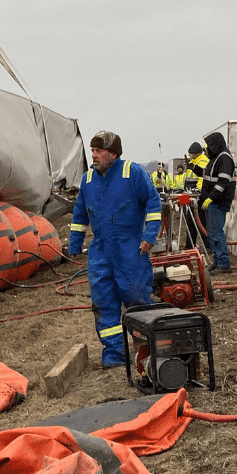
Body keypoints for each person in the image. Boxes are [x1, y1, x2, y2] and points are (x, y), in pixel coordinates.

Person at [67, 130, 163, 368]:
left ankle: (147, 348)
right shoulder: (88, 180)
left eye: (99, 151)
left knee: (136, 298)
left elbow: (153, 203)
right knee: (103, 302)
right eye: (92, 151)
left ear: (113, 153)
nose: (94, 155)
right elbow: (79, 214)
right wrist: (75, 245)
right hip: (100, 251)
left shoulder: (133, 173)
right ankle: (115, 354)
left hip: (130, 249)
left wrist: (149, 236)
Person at [196, 131, 237, 274]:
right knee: (212, 233)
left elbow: (223, 182)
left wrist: (211, 197)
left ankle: (224, 264)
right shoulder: (216, 158)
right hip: (212, 201)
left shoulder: (224, 158)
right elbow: (208, 176)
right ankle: (217, 262)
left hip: (218, 202)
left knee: (216, 233)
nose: (206, 150)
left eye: (208, 147)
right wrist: (194, 168)